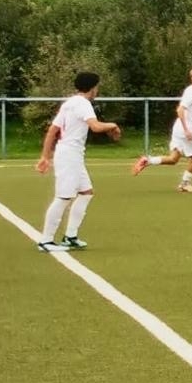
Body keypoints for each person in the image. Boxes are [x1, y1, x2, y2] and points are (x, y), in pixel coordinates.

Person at [35, 71, 122, 251]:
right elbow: (95, 126)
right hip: (70, 156)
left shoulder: (69, 103)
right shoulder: (83, 103)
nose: (97, 90)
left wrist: (45, 156)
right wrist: (113, 125)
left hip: (71, 155)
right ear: (92, 88)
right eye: (97, 87)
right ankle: (46, 241)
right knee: (64, 197)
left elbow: (52, 130)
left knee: (86, 192)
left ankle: (70, 236)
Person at [132, 67, 192, 191]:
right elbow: (180, 110)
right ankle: (184, 184)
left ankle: (148, 160)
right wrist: (186, 130)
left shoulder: (191, 90)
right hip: (186, 130)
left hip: (178, 129)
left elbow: (189, 111)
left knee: (173, 159)